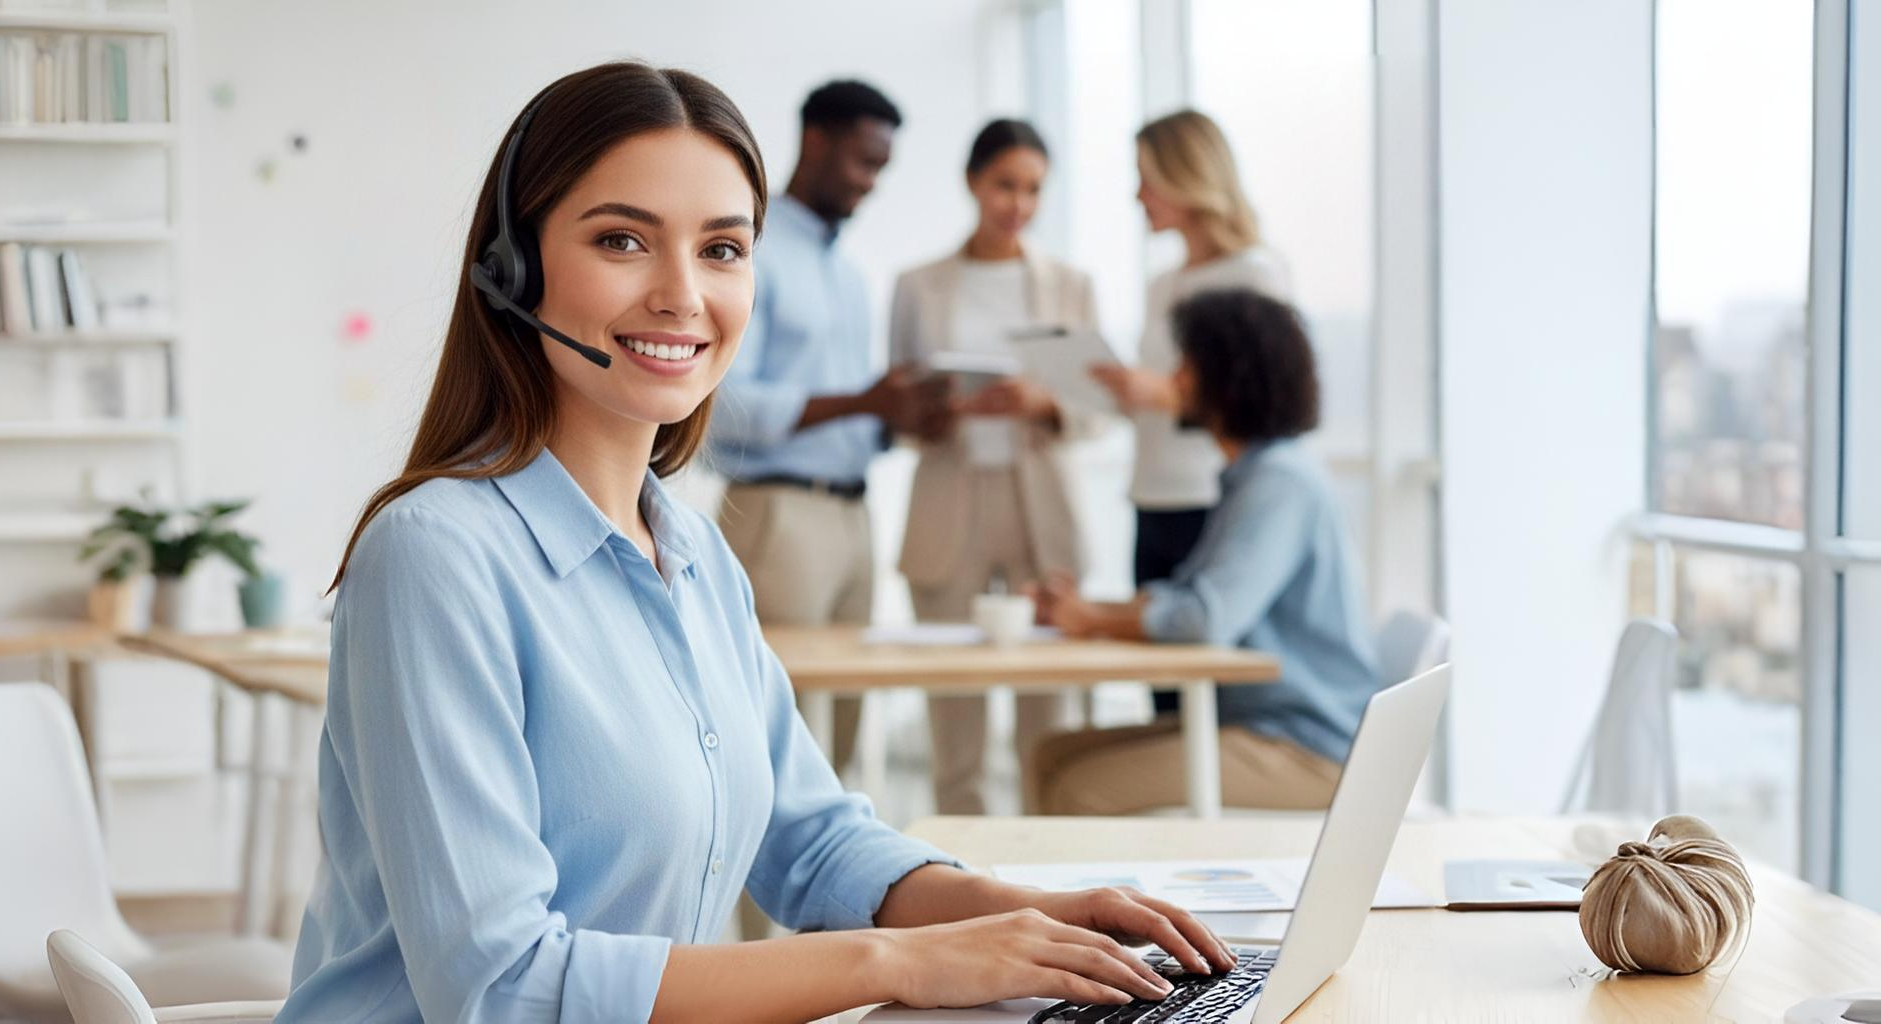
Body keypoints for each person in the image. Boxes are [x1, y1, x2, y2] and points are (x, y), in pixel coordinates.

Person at [281, 62, 1233, 1024]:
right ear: (512, 268)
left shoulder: (692, 552)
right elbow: (500, 986)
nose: (682, 295)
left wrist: (1033, 917)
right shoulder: (435, 558)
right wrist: (896, 963)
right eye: (623, 240)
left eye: (723, 250)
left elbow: (813, 842)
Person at [1030, 288, 1379, 815]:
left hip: (1308, 747)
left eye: (1187, 365)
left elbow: (1204, 618)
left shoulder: (1280, 483)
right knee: (1050, 755)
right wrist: (1087, 612)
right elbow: (1190, 597)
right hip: (1261, 724)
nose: (1174, 380)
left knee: (1081, 788)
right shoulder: (1253, 476)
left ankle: (1104, 902)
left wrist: (1092, 617)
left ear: (1227, 376)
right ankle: (1058, 902)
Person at [707, 80, 944, 773]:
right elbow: (722, 408)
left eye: (882, 169)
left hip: (852, 517)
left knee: (833, 746)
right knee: (768, 742)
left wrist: (905, 417)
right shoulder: (750, 251)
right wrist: (866, 403)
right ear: (816, 141)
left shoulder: (848, 273)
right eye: (863, 162)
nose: (872, 184)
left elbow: (857, 408)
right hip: (776, 516)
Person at [889, 119, 1096, 814]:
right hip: (952, 496)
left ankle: (1059, 889)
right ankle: (965, 895)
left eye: (1034, 189)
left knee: (1051, 720)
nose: (1019, 203)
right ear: (974, 181)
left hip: (1040, 503)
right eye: (1006, 184)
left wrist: (1041, 401)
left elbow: (1095, 409)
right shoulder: (918, 286)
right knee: (956, 721)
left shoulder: (1069, 285)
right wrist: (939, 410)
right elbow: (899, 407)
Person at [1090, 110, 1292, 718]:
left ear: (1186, 177)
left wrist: (1166, 394)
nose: (1137, 195)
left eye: (1147, 178)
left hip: (1211, 499)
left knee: (1214, 685)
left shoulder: (1256, 273)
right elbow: (1156, 396)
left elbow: (1265, 397)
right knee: (1163, 691)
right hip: (1151, 498)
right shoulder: (1162, 285)